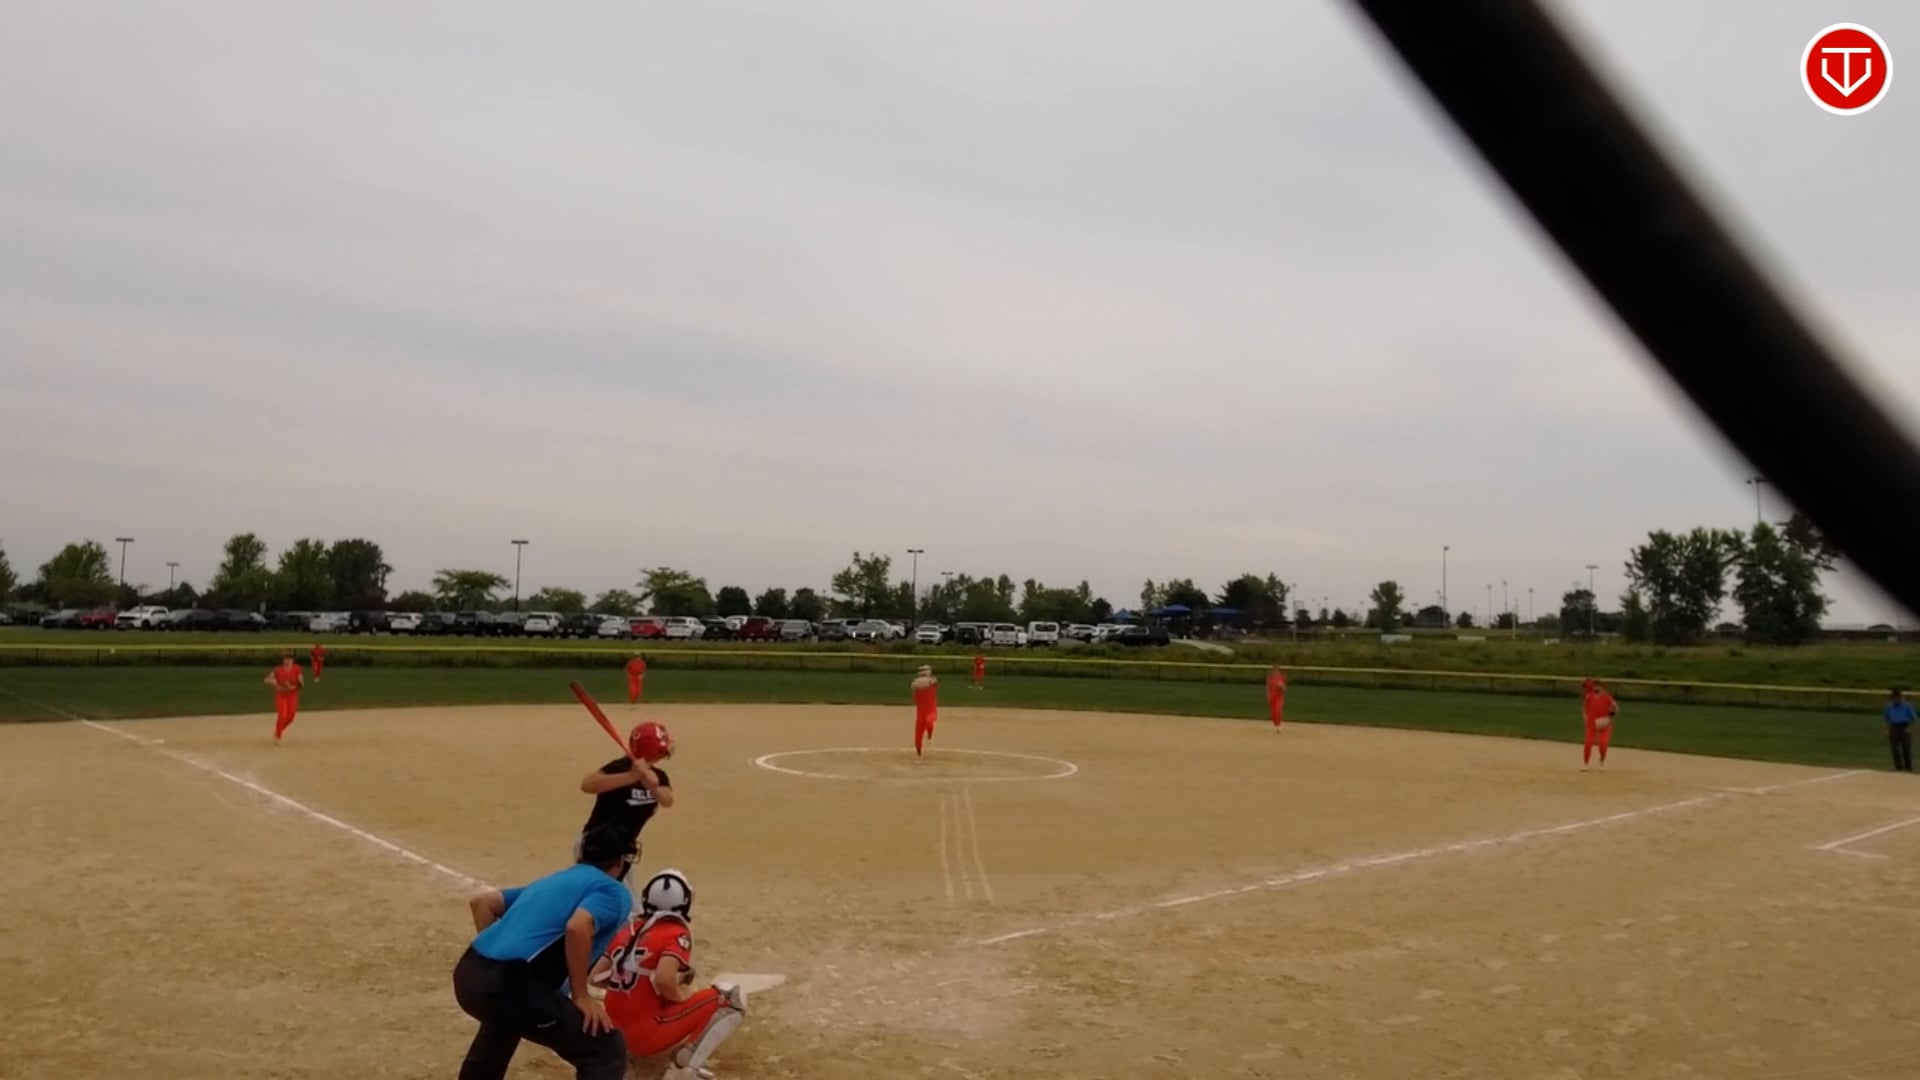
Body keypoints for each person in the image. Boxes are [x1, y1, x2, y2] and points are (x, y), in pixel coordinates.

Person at [454, 825, 634, 1080]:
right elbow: (578, 926)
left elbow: (482, 903)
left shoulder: (555, 880)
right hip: (509, 985)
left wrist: (493, 968)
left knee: (504, 1021)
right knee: (605, 1048)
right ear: (620, 862)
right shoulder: (612, 891)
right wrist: (581, 996)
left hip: (469, 973)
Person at [593, 869, 746, 1080]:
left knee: (671, 986)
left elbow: (595, 977)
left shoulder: (628, 930)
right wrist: (681, 997)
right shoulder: (675, 933)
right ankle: (687, 1067)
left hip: (614, 1035)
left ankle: (628, 1059)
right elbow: (664, 979)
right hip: (646, 1035)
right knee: (730, 999)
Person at [580, 721, 675, 899]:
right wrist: (631, 776)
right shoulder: (621, 767)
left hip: (622, 850)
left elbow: (668, 800)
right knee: (617, 902)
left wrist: (653, 786)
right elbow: (588, 785)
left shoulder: (658, 776)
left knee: (626, 901)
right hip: (598, 847)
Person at [263, 652, 304, 744]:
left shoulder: (297, 669)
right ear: (283, 660)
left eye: (290, 659)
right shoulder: (278, 670)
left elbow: (301, 683)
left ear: (293, 660)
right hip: (281, 695)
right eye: (286, 659)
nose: (288, 661)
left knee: (291, 717)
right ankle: (278, 736)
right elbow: (266, 680)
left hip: (292, 695)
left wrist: (294, 687)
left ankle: (277, 733)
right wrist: (274, 683)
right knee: (282, 716)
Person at [1581, 677, 1618, 771]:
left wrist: (1610, 716)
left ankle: (1601, 762)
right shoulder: (1589, 696)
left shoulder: (1607, 697)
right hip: (1592, 723)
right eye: (1595, 686)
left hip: (1604, 723)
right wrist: (1585, 716)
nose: (1596, 688)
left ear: (1602, 687)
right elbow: (1584, 706)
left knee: (1603, 744)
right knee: (1588, 743)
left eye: (1598, 686)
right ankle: (1586, 764)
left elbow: (1615, 707)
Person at [1884, 688, 1915, 772]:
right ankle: (1898, 766)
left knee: (1906, 747)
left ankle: (1908, 767)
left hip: (1904, 726)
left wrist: (1909, 728)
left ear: (1901, 697)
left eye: (1898, 698)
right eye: (1894, 698)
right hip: (1894, 727)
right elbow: (1887, 718)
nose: (1896, 700)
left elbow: (1913, 718)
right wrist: (1887, 729)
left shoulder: (1907, 706)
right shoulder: (1889, 706)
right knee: (1894, 748)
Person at [912, 665, 939, 758]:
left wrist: (922, 681)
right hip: (920, 715)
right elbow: (914, 686)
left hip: (931, 711)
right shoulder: (916, 683)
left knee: (929, 721)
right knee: (917, 740)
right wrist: (919, 683)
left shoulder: (933, 680)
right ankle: (919, 754)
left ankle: (930, 734)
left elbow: (931, 682)